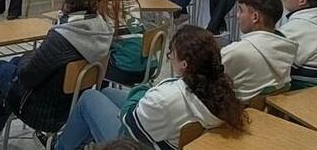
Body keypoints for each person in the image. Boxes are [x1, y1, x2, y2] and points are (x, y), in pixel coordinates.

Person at [54, 25, 246, 150]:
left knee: (89, 97)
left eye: (171, 54)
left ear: (185, 64)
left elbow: (128, 120)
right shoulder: (220, 88)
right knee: (106, 92)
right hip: (170, 129)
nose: (169, 58)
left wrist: (142, 90)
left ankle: (60, 147)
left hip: (137, 142)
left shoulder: (165, 96)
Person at [0, 0, 114, 136]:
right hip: (71, 105)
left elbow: (27, 77)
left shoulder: (62, 38)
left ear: (68, 5)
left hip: (42, 111)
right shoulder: (102, 31)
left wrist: (28, 57)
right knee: (14, 61)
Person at [221, 0, 297, 103]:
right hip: (269, 113)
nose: (237, 15)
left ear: (255, 17)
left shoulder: (236, 51)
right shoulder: (286, 46)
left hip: (238, 114)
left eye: (241, 10)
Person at [97, 0, 151, 85]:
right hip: (149, 67)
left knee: (97, 62)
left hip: (126, 70)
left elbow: (100, 43)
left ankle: (104, 95)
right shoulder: (134, 4)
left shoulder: (106, 9)